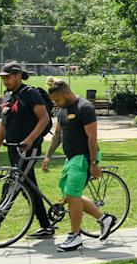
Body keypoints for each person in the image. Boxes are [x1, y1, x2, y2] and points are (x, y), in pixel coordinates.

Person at [0, 62, 54, 242]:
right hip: (13, 149)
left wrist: (29, 139)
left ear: (19, 75)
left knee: (12, 184)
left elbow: (44, 119)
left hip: (29, 148)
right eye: (3, 78)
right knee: (28, 186)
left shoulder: (30, 94)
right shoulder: (8, 97)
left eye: (8, 77)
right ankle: (46, 225)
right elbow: (4, 125)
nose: (5, 81)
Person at [43, 80, 116, 252]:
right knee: (70, 195)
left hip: (84, 157)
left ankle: (74, 237)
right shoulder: (62, 110)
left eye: (57, 100)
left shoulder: (85, 108)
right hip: (72, 158)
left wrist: (94, 163)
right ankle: (104, 219)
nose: (55, 104)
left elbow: (92, 138)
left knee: (73, 195)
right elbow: (58, 135)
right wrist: (48, 155)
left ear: (67, 94)